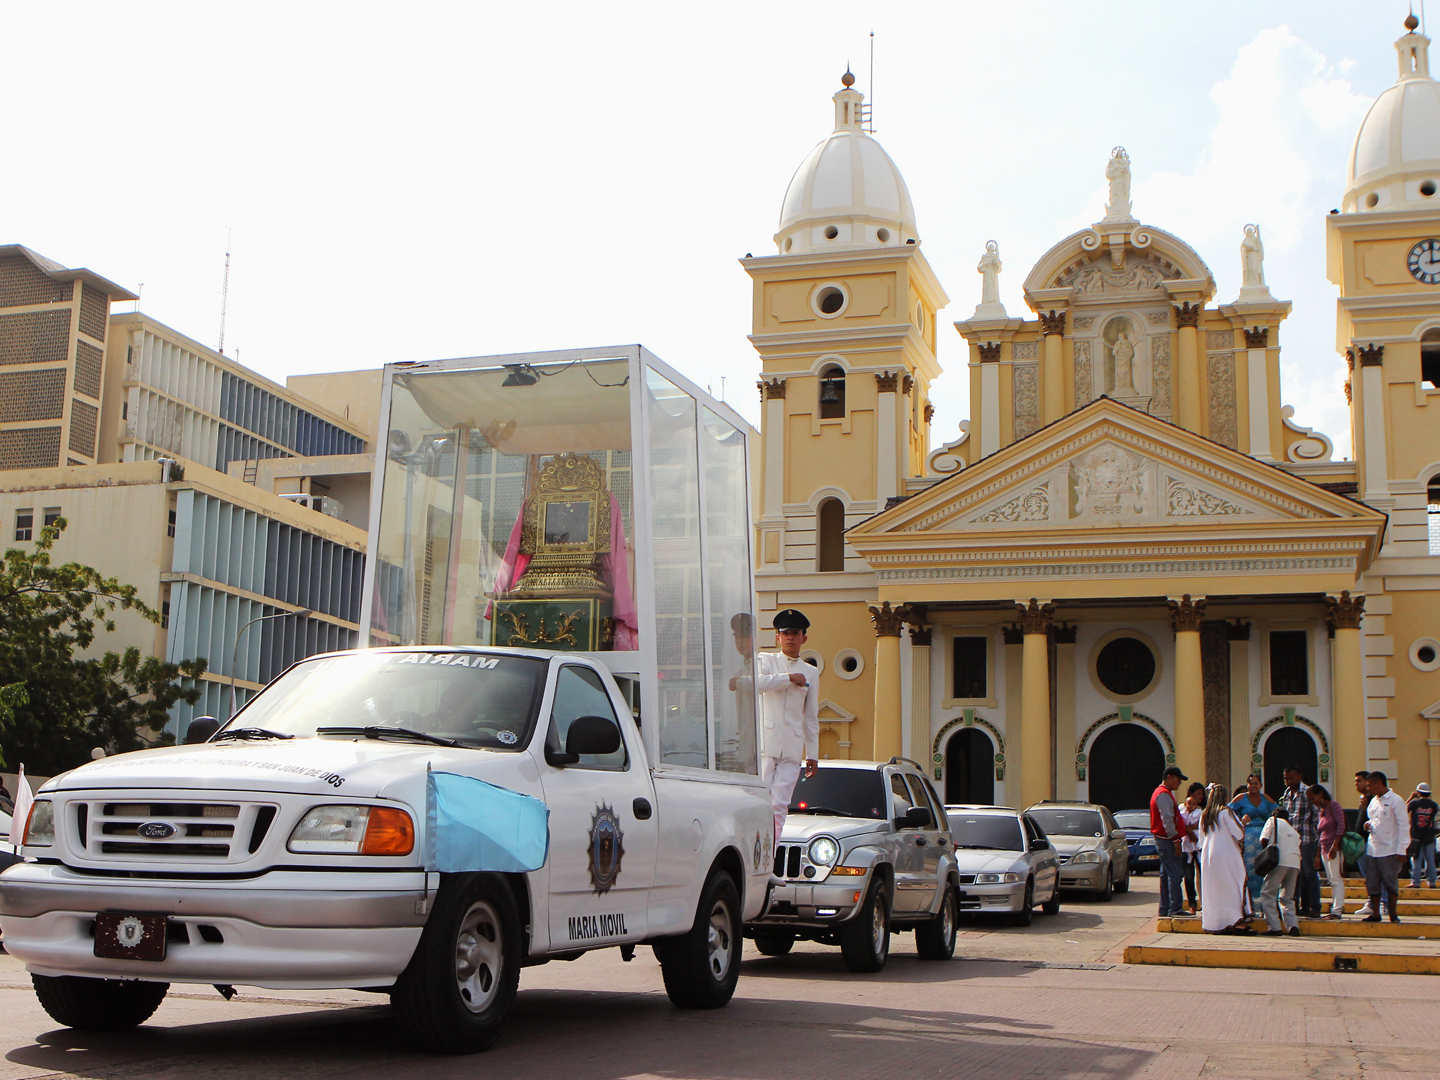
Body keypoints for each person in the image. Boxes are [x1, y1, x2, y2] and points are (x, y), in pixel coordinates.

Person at [753, 609, 819, 848]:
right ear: (778, 637)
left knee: (780, 805)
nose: (790, 637)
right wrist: (789, 677)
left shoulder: (811, 672)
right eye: (785, 633)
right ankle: (753, 851)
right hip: (766, 745)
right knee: (759, 801)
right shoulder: (766, 660)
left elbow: (811, 716)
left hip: (792, 746)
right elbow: (756, 684)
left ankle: (769, 857)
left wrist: (812, 755)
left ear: (804, 638)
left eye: (795, 633)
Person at [1199, 783, 1254, 934]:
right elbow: (1239, 832)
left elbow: (1201, 839)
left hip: (1208, 855)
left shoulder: (1204, 814)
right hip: (1226, 854)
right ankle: (1236, 921)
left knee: (1214, 889)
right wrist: (1244, 821)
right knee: (1233, 884)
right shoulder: (1225, 812)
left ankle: (1216, 923)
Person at [1362, 771, 1411, 923]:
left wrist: (1402, 849)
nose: (1368, 788)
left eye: (1370, 785)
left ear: (1379, 783)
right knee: (1373, 882)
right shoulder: (1374, 802)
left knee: (1390, 881)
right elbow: (1373, 819)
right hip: (1373, 848)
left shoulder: (1396, 801)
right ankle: (1376, 913)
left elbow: (1404, 826)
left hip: (1389, 849)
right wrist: (1368, 825)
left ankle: (1393, 913)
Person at [1279, 766, 1321, 918]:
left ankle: (1315, 907)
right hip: (1291, 841)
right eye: (1286, 779)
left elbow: (1317, 816)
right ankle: (1301, 906)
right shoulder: (1287, 794)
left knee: (1310, 874)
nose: (1289, 781)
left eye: (1291, 778)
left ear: (1299, 776)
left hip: (1307, 839)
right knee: (1297, 875)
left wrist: (1318, 841)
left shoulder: (1307, 792)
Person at [1230, 773, 1279, 903]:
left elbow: (1278, 813)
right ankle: (1248, 901)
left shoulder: (1266, 799)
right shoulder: (1241, 798)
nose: (1253, 786)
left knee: (1263, 867)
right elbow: (1227, 813)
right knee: (1247, 868)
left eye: (1256, 783)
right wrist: (1241, 822)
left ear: (1261, 785)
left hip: (1263, 839)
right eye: (1251, 783)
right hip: (1246, 839)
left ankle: (1262, 902)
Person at [1150, 766, 1189, 917]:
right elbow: (1167, 819)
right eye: (1178, 779)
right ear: (1170, 777)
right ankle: (1175, 908)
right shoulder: (1163, 794)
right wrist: (1175, 839)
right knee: (1175, 874)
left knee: (1166, 874)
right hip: (1166, 840)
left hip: (1164, 839)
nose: (1179, 783)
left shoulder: (1163, 793)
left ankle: (1165, 908)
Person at [1258, 806, 1302, 936]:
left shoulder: (1273, 820)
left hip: (1279, 860)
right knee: (1287, 897)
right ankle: (1293, 926)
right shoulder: (1294, 830)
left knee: (1268, 893)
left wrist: (1265, 857)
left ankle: (1274, 927)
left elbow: (1264, 839)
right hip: (1295, 863)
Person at [1308, 784, 1347, 920]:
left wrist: (1335, 846)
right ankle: (1335, 908)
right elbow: (1321, 834)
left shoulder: (1334, 806)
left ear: (1320, 794)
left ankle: (1337, 910)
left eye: (1313, 798)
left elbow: (1341, 825)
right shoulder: (1321, 811)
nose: (1313, 802)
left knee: (1336, 879)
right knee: (1331, 879)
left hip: (1333, 848)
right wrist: (1318, 856)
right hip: (1324, 847)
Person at [1181, 783, 1206, 915]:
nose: (1200, 796)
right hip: (1186, 847)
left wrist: (1192, 829)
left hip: (1199, 846)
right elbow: (1182, 824)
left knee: (1204, 874)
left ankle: (1206, 902)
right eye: (1198, 793)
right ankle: (1192, 904)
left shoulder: (1201, 811)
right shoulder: (1182, 809)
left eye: (1202, 794)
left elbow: (1203, 825)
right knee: (1188, 876)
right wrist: (1190, 831)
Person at [1408, 782, 1438, 889]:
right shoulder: (1434, 805)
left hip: (1416, 836)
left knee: (1416, 859)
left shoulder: (1414, 804)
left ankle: (1416, 882)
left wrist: (1411, 797)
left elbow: (1403, 810)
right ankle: (1432, 882)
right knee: (1430, 859)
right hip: (1429, 835)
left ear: (1418, 792)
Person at [1353, 770, 1375, 915]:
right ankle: (1372, 900)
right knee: (1366, 873)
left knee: (1372, 874)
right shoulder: (1364, 799)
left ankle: (1376, 902)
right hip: (1361, 842)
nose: (1356, 784)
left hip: (1369, 843)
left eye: (1358, 781)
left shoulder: (1373, 800)